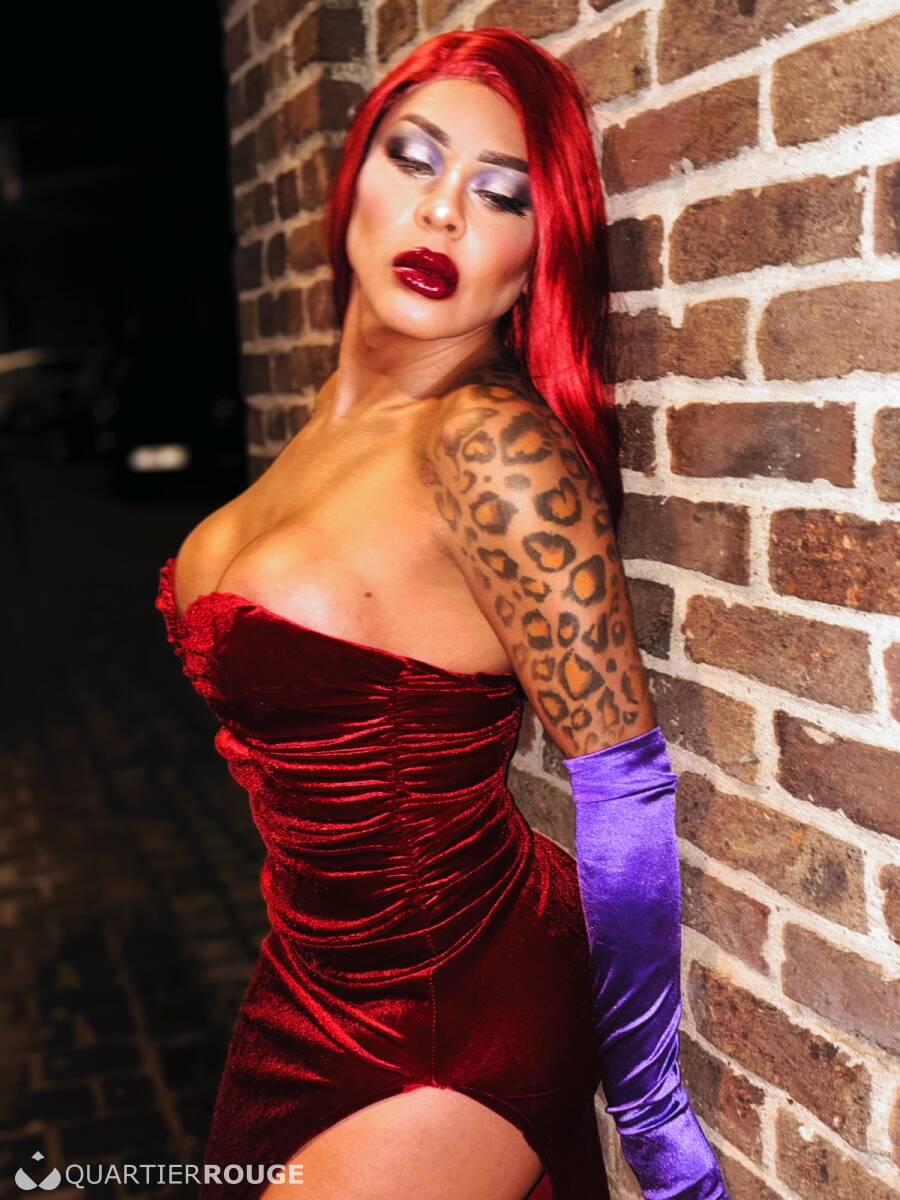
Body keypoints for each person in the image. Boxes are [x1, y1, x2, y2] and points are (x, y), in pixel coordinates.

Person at [156, 26, 728, 1200]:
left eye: (501, 194)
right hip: (305, 979)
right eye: (413, 159)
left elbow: (622, 793)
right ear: (354, 180)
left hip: (451, 998)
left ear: (536, 256)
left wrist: (654, 1121)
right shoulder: (326, 421)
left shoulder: (492, 448)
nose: (443, 212)